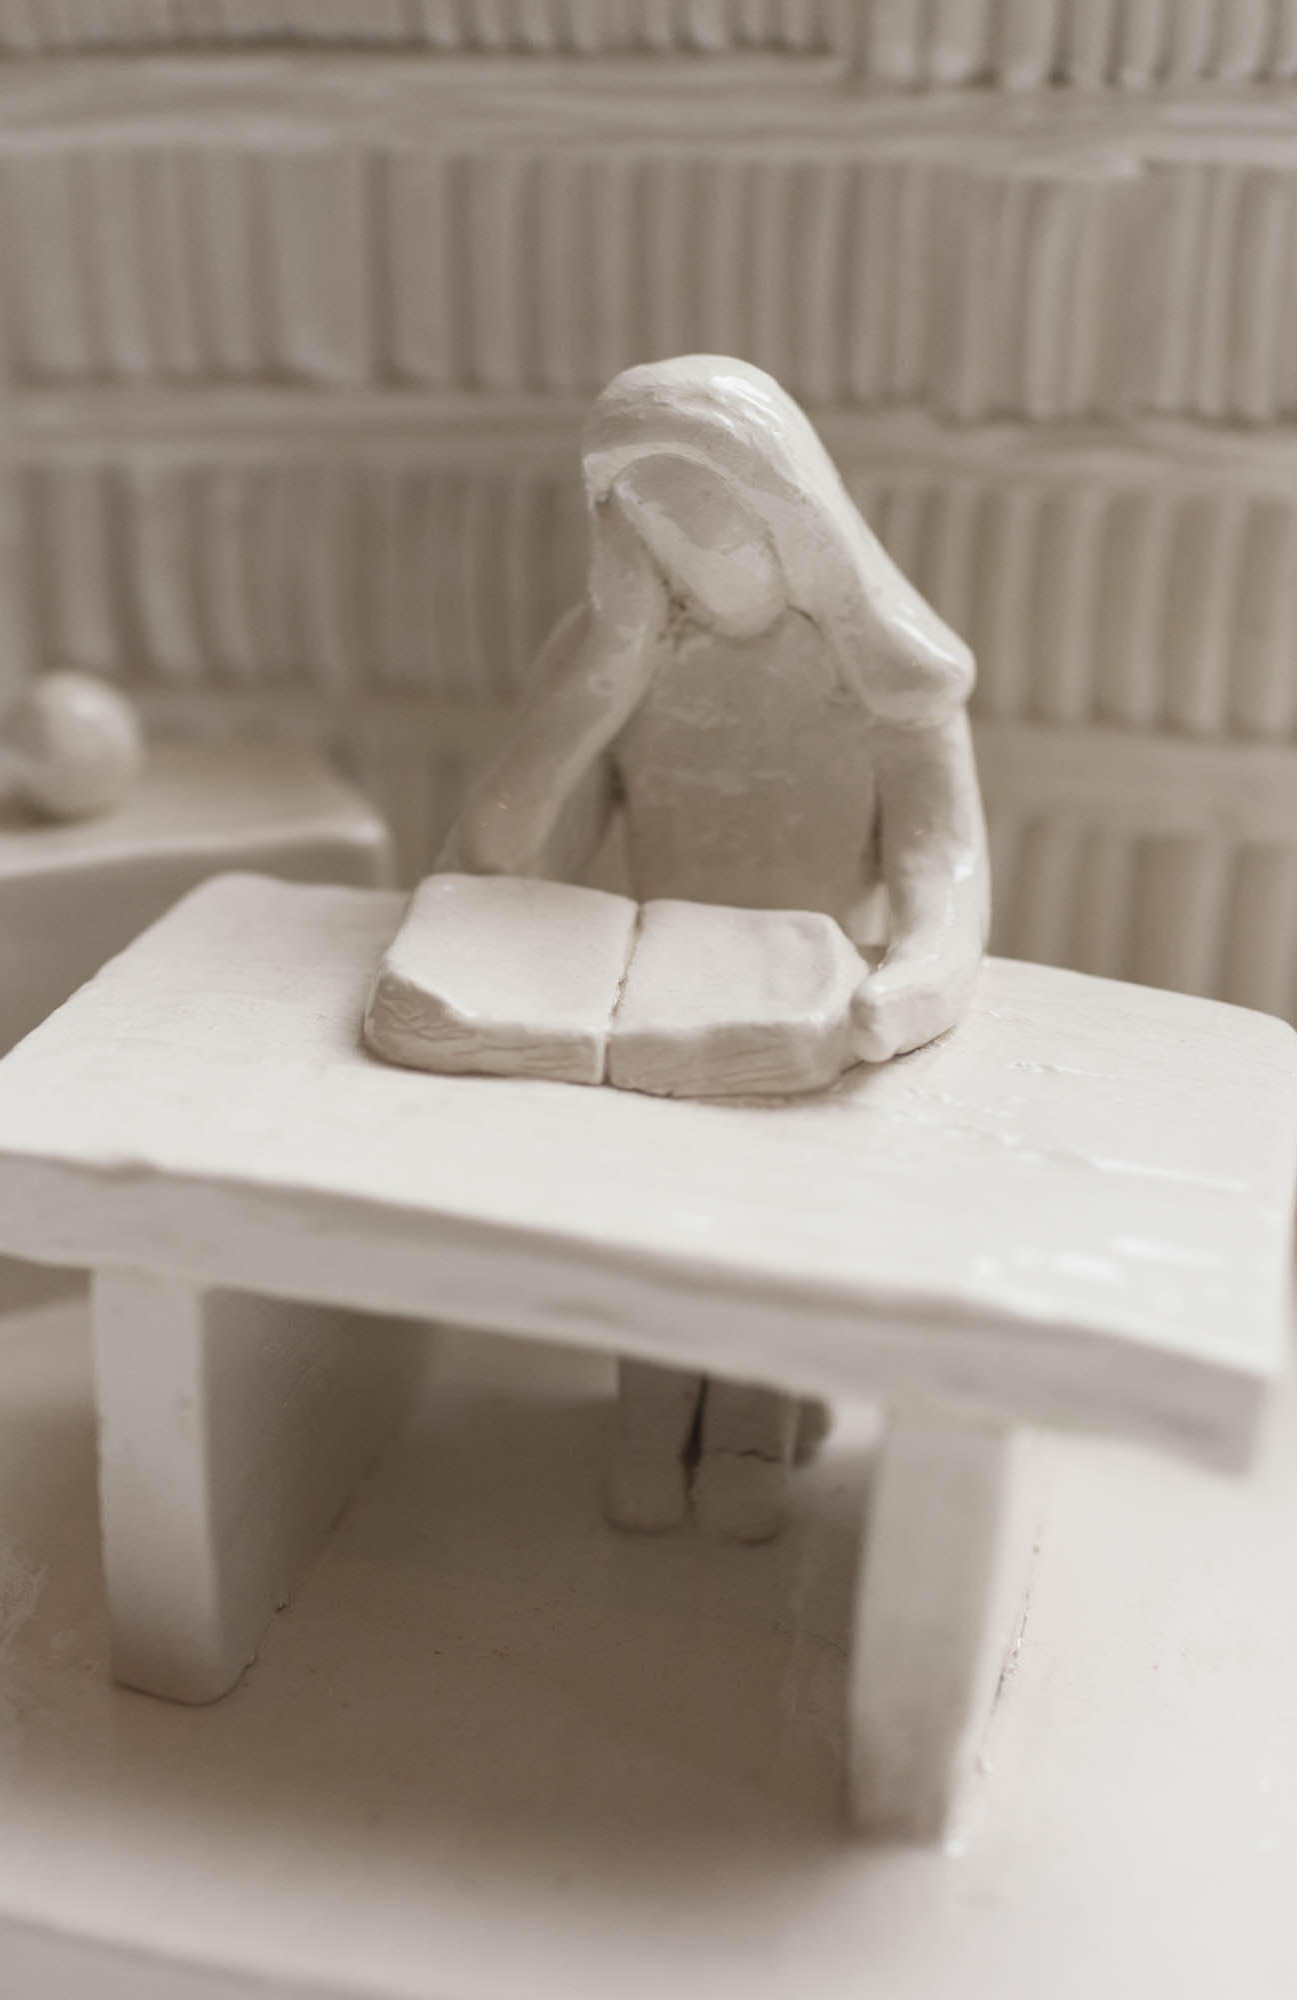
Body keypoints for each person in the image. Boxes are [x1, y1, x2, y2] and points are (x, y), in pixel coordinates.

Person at [437, 354, 992, 1541]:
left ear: (792, 512)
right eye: (645, 520)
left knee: (768, 1223)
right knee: (657, 1216)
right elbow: (500, 863)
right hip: (656, 996)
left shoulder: (891, 675)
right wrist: (595, 680)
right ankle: (651, 1411)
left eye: (711, 513)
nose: (687, 548)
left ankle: (751, 1416)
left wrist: (915, 982)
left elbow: (941, 871)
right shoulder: (616, 655)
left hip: (807, 996)